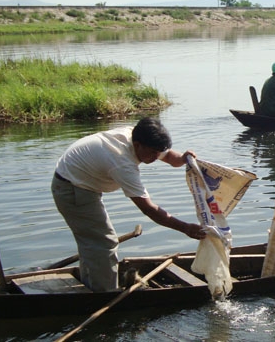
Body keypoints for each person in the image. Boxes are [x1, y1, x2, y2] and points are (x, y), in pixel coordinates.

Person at [51, 117, 206, 292]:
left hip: (79, 182)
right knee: (103, 242)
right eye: (153, 153)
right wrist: (185, 228)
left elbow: (170, 156)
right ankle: (105, 293)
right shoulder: (121, 161)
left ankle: (92, 285)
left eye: (158, 153)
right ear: (138, 145)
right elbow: (149, 209)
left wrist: (184, 158)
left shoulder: (140, 138)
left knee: (92, 241)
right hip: (72, 188)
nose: (156, 158)